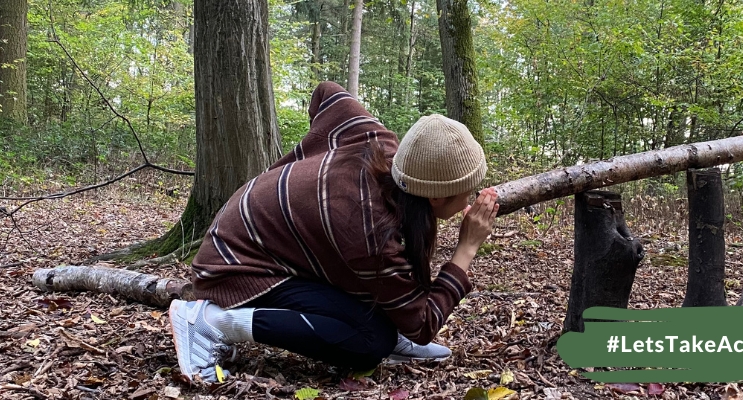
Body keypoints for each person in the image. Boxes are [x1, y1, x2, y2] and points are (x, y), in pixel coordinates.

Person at [167, 81, 498, 383]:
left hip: (256, 232)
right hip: (237, 264)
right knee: (370, 342)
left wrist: (307, 163)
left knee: (376, 316)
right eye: (466, 192)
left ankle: (391, 328)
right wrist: (466, 248)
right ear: (437, 196)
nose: (469, 199)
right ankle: (213, 323)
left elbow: (327, 94)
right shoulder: (369, 228)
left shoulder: (379, 142)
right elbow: (423, 325)